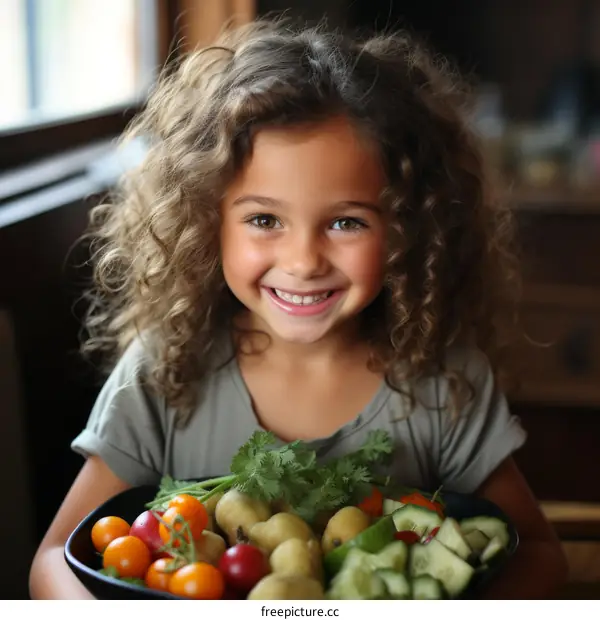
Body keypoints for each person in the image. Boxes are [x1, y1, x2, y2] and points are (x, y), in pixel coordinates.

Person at [29, 18, 568, 599]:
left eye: (345, 222)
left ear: (410, 231)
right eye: (265, 219)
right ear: (208, 222)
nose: (304, 260)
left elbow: (539, 557)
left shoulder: (445, 382)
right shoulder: (165, 372)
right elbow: (56, 559)